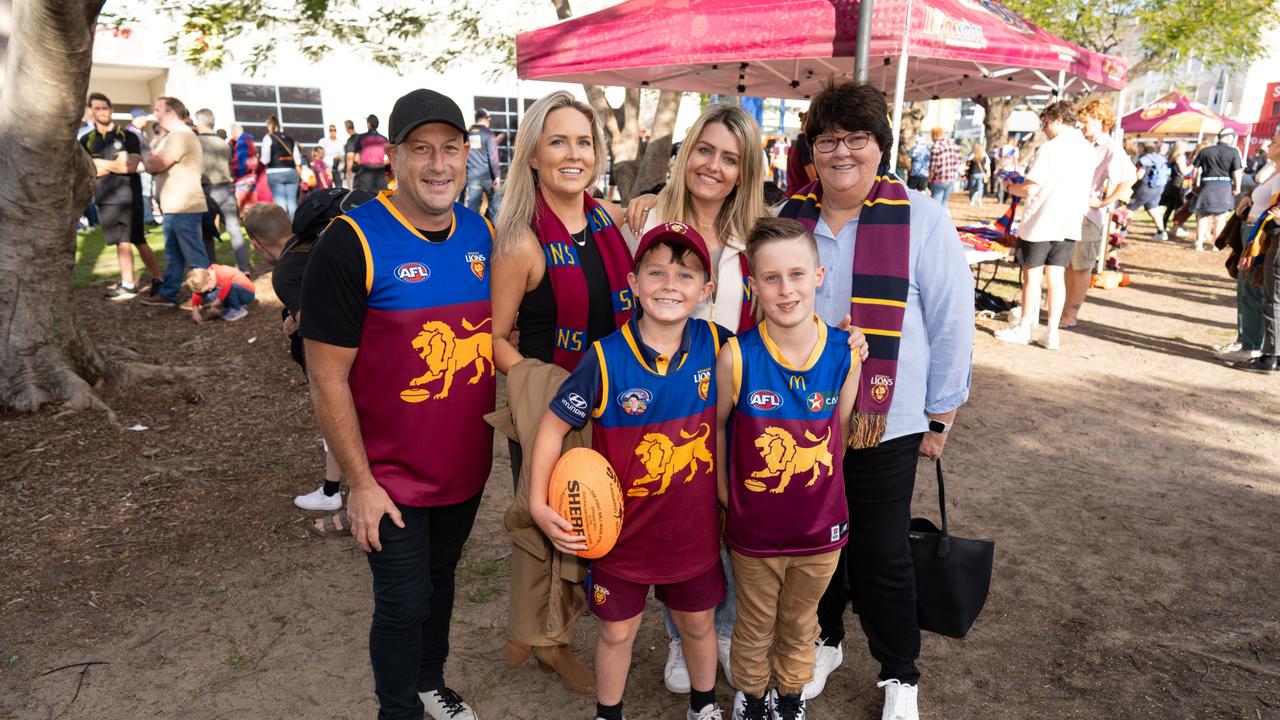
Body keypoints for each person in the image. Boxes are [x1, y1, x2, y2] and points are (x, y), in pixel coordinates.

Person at [775, 80, 972, 720]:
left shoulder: (921, 216)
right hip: (802, 416)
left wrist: (941, 415)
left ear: (879, 147)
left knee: (880, 550)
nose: (842, 152)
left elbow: (950, 322)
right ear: (811, 151)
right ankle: (826, 641)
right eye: (828, 139)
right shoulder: (789, 218)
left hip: (885, 421)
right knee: (816, 541)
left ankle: (899, 673)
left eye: (857, 139)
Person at [300, 88, 493, 720]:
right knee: (403, 601)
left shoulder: (479, 232)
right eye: (421, 150)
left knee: (440, 587)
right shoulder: (350, 242)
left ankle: (428, 683)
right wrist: (358, 483)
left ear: (467, 155)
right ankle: (397, 710)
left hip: (465, 471)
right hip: (389, 480)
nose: (438, 165)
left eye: (450, 149)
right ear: (394, 158)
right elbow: (327, 379)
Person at [531, 223, 728, 720]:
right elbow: (552, 428)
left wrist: (843, 345)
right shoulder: (603, 358)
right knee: (617, 631)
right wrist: (538, 502)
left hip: (693, 531)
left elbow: (781, 357)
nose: (669, 284)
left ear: (706, 291)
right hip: (620, 534)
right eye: (656, 272)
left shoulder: (722, 347)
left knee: (699, 625)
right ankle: (608, 712)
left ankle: (703, 707)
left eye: (685, 275)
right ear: (633, 282)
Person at [490, 90, 634, 697]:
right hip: (550, 401)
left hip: (610, 402)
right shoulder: (521, 240)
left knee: (590, 520)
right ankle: (549, 642)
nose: (572, 154)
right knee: (547, 524)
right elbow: (493, 338)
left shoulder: (609, 221)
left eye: (583, 141)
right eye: (558, 142)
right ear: (533, 156)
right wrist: (539, 394)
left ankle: (540, 630)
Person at [623, 103, 767, 694]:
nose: (713, 166)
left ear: (745, 170)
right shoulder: (645, 218)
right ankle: (683, 638)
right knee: (668, 514)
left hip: (731, 397)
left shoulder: (758, 233)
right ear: (685, 154)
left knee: (729, 512)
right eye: (704, 150)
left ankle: (724, 630)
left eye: (730, 158)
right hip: (661, 402)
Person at [718, 218, 860, 720]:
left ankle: (791, 696)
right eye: (772, 278)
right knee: (754, 625)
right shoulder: (736, 356)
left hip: (821, 531)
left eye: (797, 274)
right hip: (755, 532)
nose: (786, 289)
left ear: (818, 276)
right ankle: (753, 698)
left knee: (801, 624)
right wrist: (727, 497)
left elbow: (835, 438)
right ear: (753, 285)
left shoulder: (846, 353)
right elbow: (716, 433)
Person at [994, 102, 1093, 350]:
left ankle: (1025, 326)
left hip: (1042, 220)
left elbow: (1032, 187)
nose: (1044, 129)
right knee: (1056, 275)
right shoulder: (1086, 149)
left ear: (1057, 119)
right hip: (1069, 221)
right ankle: (1051, 332)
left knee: (1033, 275)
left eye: (1045, 123)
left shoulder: (1051, 149)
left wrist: (1009, 187)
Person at [1060, 99, 1136, 329]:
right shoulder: (1078, 143)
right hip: (1067, 210)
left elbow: (1128, 178)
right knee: (1066, 264)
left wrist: (1104, 201)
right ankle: (1063, 309)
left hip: (1087, 214)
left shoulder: (1110, 147)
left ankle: (1072, 313)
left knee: (1081, 265)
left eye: (1087, 121)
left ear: (1101, 121)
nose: (1082, 125)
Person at [80, 92, 162, 300]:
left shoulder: (128, 136)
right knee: (119, 242)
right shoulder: (85, 140)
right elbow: (88, 171)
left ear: (111, 110)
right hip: (104, 197)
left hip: (129, 195)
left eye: (105, 108)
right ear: (90, 112)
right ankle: (128, 284)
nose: (101, 112)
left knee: (138, 239)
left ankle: (157, 278)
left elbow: (131, 166)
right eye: (97, 108)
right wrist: (114, 165)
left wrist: (99, 163)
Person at [141, 96, 209, 308]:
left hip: (184, 204)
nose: (155, 113)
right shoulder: (176, 136)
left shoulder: (180, 136)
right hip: (176, 205)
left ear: (171, 112)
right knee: (175, 254)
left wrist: (145, 159)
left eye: (158, 109)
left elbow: (156, 164)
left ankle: (209, 294)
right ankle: (169, 293)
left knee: (194, 254)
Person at [1227, 130, 1280, 370]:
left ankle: (1261, 349)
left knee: (1264, 295)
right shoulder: (1273, 171)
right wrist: (1249, 196)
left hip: (1267, 237)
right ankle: (1253, 344)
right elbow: (1262, 187)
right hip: (1257, 234)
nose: (1269, 144)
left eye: (1275, 142)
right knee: (1255, 292)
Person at [194, 109, 252, 274]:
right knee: (234, 229)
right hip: (226, 188)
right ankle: (244, 267)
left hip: (207, 189)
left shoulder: (196, 142)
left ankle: (211, 269)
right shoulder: (224, 144)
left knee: (207, 232)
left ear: (200, 123)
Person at [1192, 128, 1244, 252]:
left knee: (1203, 215)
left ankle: (1199, 242)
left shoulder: (1205, 151)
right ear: (1229, 137)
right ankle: (1216, 244)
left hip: (1207, 184)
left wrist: (1194, 184)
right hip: (1224, 185)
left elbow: (1195, 169)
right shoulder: (1234, 152)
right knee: (1220, 216)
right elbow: (1237, 171)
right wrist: (1237, 187)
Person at [261, 115, 304, 220]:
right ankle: (295, 229)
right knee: (292, 202)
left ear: (269, 126)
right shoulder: (290, 138)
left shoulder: (268, 138)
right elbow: (297, 159)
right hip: (291, 171)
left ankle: (285, 231)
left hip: (275, 172)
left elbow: (265, 159)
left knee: (281, 203)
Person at [464, 108, 502, 221]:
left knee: (473, 209)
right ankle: (494, 232)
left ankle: (473, 233)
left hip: (472, 177)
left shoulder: (467, 134)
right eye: (488, 120)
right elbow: (493, 156)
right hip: (488, 177)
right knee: (495, 208)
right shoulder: (488, 134)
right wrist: (497, 175)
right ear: (485, 119)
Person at [184, 264, 255, 323]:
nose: (209, 289)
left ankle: (237, 310)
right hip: (235, 293)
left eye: (208, 288)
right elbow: (197, 293)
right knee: (209, 294)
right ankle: (230, 307)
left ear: (209, 280)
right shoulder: (207, 276)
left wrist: (218, 300)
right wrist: (195, 309)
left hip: (247, 294)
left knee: (229, 286)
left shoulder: (222, 272)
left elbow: (227, 285)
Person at [1130, 141, 1171, 241]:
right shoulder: (1161, 158)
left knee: (1129, 209)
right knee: (1153, 209)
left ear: (1142, 148)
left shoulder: (1144, 159)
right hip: (1158, 188)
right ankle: (1162, 232)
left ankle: (1122, 231)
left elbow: (1139, 175)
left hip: (1144, 188)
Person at [350, 114, 391, 193]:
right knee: (381, 200)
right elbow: (390, 157)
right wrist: (382, 164)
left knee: (365, 200)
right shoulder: (384, 139)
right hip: (380, 173)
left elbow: (356, 158)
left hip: (365, 173)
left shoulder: (361, 137)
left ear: (368, 124)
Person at [1159, 141, 1193, 238]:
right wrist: (1193, 165)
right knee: (1178, 206)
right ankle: (1175, 228)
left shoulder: (1173, 156)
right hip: (1179, 183)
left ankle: (1164, 227)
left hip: (1173, 182)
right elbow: (1184, 171)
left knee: (1170, 207)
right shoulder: (1180, 157)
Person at [926, 128, 961, 213]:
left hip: (939, 179)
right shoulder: (953, 144)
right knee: (944, 204)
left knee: (935, 205)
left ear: (935, 135)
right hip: (951, 178)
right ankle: (946, 222)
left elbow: (933, 166)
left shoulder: (936, 146)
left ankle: (935, 224)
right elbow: (958, 162)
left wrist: (929, 179)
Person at [784, 113, 816, 197]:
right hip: (801, 196)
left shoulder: (795, 143)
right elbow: (813, 178)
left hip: (791, 194)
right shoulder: (805, 145)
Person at [319, 124, 346, 189]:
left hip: (336, 169)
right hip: (326, 170)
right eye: (331, 130)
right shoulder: (323, 141)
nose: (333, 131)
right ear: (328, 131)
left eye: (334, 130)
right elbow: (319, 154)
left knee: (339, 188)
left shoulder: (340, 143)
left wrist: (339, 157)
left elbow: (343, 156)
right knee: (327, 189)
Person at [995, 134, 1020, 203]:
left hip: (1002, 167)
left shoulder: (1002, 148)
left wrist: (997, 167)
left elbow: (997, 158)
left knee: (1001, 184)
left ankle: (1000, 199)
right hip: (1011, 168)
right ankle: (1005, 198)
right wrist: (1017, 168)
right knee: (1009, 184)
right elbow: (1015, 159)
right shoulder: (1014, 149)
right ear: (1012, 141)